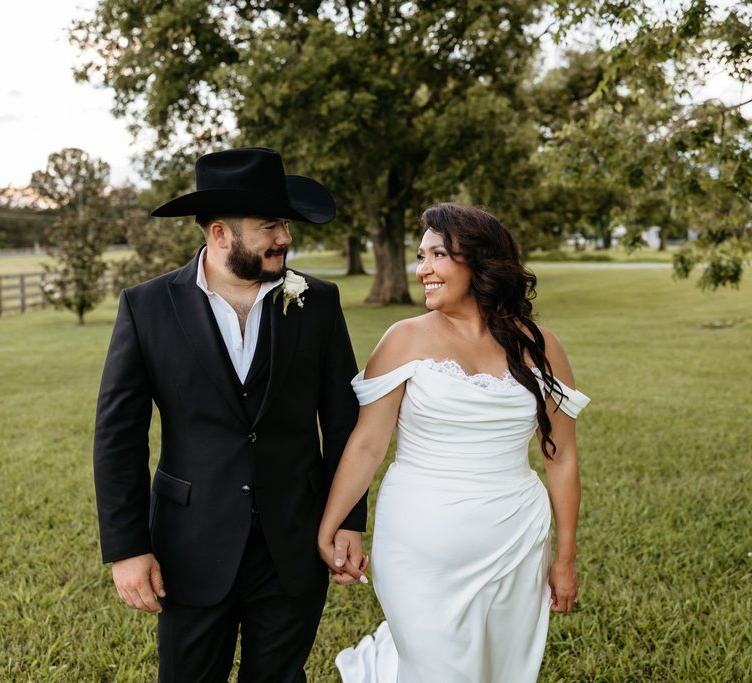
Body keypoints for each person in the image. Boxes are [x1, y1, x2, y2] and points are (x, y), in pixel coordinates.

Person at [93, 147, 369, 683]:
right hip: (189, 546)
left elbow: (342, 421)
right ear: (220, 234)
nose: (285, 238)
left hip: (295, 540)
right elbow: (118, 437)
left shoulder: (318, 302)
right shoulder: (146, 307)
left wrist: (349, 521)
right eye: (270, 227)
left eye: (285, 224)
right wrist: (127, 550)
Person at [318, 202, 590, 682]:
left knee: (500, 670)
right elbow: (367, 445)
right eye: (420, 256)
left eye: (437, 255)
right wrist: (332, 523)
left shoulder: (539, 345)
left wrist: (564, 559)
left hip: (516, 540)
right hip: (419, 544)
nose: (422, 270)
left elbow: (562, 457)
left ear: (479, 261)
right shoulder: (403, 339)